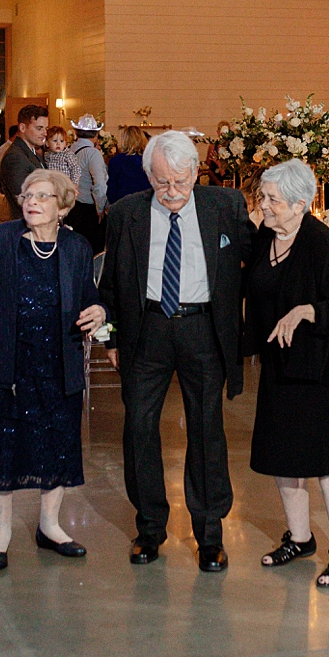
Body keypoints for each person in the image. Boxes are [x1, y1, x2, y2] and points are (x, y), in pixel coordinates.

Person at [99, 130, 253, 571]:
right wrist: (109, 339)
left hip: (203, 330)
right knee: (139, 429)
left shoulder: (224, 207)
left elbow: (257, 258)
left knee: (207, 430)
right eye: (163, 183)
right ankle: (149, 530)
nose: (172, 193)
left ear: (195, 174)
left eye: (181, 183)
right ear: (148, 175)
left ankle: (209, 536)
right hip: (146, 330)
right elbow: (109, 283)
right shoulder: (126, 214)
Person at [246, 161, 329, 589]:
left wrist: (306, 310)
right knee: (285, 456)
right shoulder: (265, 236)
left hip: (326, 368)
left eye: (272, 200)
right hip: (283, 364)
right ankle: (300, 538)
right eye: (262, 197)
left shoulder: (321, 242)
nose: (263, 205)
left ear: (301, 204)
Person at [0, 168, 106, 568]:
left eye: (43, 196)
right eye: (27, 194)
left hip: (58, 361)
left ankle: (50, 525)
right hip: (8, 362)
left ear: (62, 207)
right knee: (3, 446)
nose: (31, 201)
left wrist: (100, 310)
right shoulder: (2, 239)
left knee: (58, 444)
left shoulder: (77, 247)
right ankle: (0, 531)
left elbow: (91, 297)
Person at [0, 103, 49, 212]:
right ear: (22, 127)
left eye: (46, 128)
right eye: (39, 128)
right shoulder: (15, 157)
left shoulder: (31, 151)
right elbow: (24, 199)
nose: (45, 133)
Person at [69, 113, 109, 249]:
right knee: (93, 252)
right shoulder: (93, 153)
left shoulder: (70, 149)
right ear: (96, 134)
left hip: (72, 207)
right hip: (88, 211)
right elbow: (99, 184)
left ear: (76, 132)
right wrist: (100, 208)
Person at [106, 125, 152, 204]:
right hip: (146, 204)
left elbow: (112, 188)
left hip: (123, 204)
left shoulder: (116, 161)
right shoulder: (149, 160)